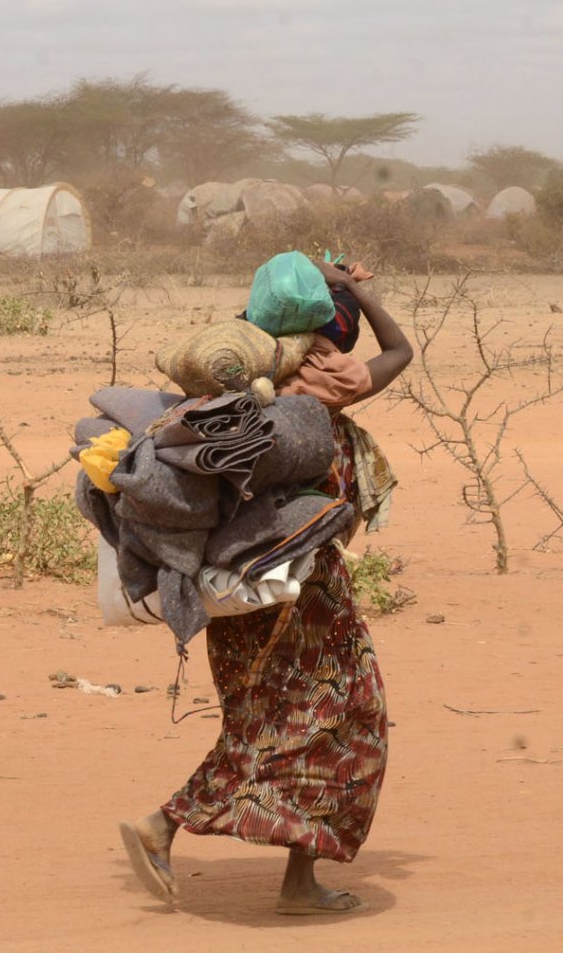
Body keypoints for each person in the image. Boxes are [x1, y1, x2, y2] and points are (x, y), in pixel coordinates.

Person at [120, 256, 412, 914]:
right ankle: (171, 825)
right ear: (330, 327)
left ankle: (280, 872)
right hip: (304, 580)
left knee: (263, 718)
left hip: (238, 583)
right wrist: (360, 294)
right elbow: (402, 351)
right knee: (344, 716)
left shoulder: (239, 378)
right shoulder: (321, 376)